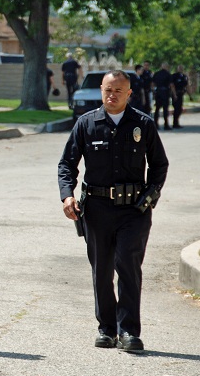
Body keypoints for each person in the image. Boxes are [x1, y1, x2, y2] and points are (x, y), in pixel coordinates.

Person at [58, 69, 169, 353]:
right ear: (101, 90)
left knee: (128, 267)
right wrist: (67, 196)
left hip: (134, 211)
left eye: (118, 90)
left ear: (129, 93)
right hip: (96, 209)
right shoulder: (86, 124)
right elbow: (67, 165)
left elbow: (159, 165)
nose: (112, 95)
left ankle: (129, 331)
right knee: (102, 269)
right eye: (108, 89)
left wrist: (150, 198)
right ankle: (106, 328)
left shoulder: (142, 124)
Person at [152, 62, 177, 131]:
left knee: (157, 109)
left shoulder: (156, 74)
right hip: (165, 92)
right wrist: (174, 94)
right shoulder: (168, 74)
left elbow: (153, 84)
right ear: (166, 67)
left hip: (158, 92)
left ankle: (155, 124)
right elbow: (171, 85)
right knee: (165, 109)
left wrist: (154, 92)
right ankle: (166, 124)